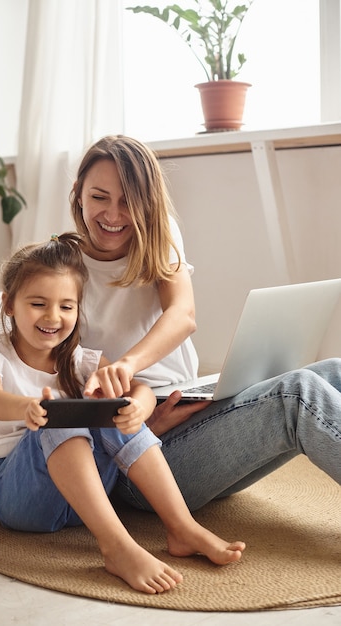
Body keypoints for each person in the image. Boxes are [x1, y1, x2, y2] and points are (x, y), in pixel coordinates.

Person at [0, 233, 245, 596]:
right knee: (58, 417)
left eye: (66, 306)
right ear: (9, 304)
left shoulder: (82, 361)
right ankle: (117, 548)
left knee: (115, 407)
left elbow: (139, 389)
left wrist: (140, 408)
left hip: (85, 500)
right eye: (38, 303)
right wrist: (27, 408)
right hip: (18, 496)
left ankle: (181, 526)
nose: (53, 317)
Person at [68, 134, 341, 514]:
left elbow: (182, 314)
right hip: (140, 460)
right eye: (99, 197)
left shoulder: (157, 233)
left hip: (190, 419)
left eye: (129, 202)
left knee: (334, 372)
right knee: (297, 395)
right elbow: (60, 399)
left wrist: (128, 363)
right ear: (78, 192)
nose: (114, 216)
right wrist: (146, 423)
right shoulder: (59, 269)